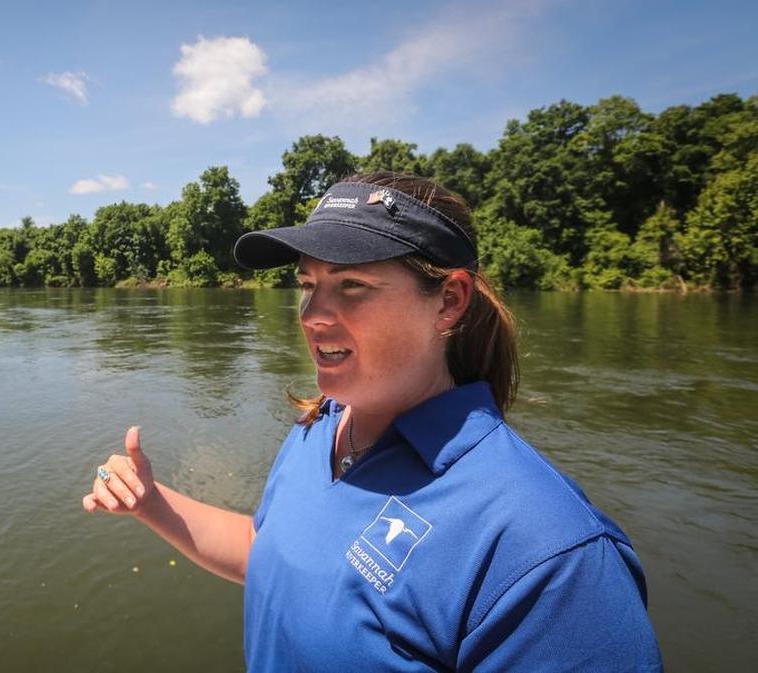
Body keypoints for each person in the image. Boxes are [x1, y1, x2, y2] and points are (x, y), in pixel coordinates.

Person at [82, 171, 663, 671]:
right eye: (308, 285)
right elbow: (271, 551)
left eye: (352, 285)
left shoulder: (550, 555)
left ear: (449, 301)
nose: (312, 315)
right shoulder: (319, 429)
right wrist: (153, 503)